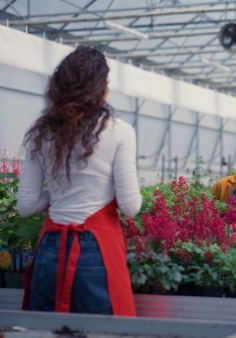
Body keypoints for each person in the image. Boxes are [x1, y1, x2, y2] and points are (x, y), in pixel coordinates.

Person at [17, 45, 142, 316]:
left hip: (51, 248)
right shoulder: (119, 131)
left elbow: (26, 205)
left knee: (46, 333)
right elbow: (130, 206)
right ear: (102, 89)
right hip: (96, 249)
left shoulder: (43, 133)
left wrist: (58, 196)